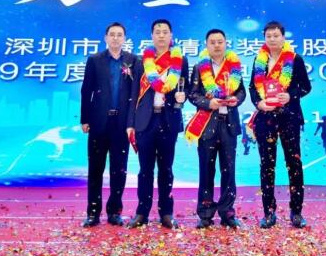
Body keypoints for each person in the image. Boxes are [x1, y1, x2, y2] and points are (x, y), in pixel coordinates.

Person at [249, 20, 312, 229]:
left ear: (283, 37)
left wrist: (290, 95)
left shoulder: (295, 59)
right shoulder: (259, 60)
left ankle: (296, 212)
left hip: (289, 117)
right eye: (269, 36)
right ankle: (269, 212)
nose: (272, 39)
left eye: (276, 35)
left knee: (294, 164)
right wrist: (259, 103)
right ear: (264, 38)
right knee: (267, 165)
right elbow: (252, 88)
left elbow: (306, 87)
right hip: (265, 118)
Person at [126, 19, 189, 229]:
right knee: (145, 170)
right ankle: (141, 212)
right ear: (152, 35)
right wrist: (130, 123)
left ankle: (166, 213)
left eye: (165, 32)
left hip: (169, 120)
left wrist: (182, 98)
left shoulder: (181, 60)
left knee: (166, 169)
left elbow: (185, 88)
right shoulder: (141, 61)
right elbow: (134, 93)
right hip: (145, 121)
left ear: (171, 35)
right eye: (157, 32)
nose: (161, 35)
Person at [80, 22, 139, 227]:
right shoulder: (95, 60)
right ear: (105, 38)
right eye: (112, 34)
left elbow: (136, 93)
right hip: (98, 122)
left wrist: (133, 122)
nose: (115, 38)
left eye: (119, 35)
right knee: (95, 169)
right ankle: (93, 213)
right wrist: (85, 119)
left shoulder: (133, 61)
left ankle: (114, 212)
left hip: (122, 124)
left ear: (124, 39)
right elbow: (86, 90)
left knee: (119, 169)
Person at [186, 29, 246, 229]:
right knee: (206, 170)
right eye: (212, 42)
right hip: (207, 125)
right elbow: (193, 94)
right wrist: (208, 103)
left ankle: (227, 212)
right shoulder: (199, 68)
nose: (217, 45)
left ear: (226, 43)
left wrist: (236, 99)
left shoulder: (234, 66)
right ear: (207, 45)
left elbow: (242, 92)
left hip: (229, 125)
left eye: (220, 41)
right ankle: (205, 213)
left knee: (229, 170)